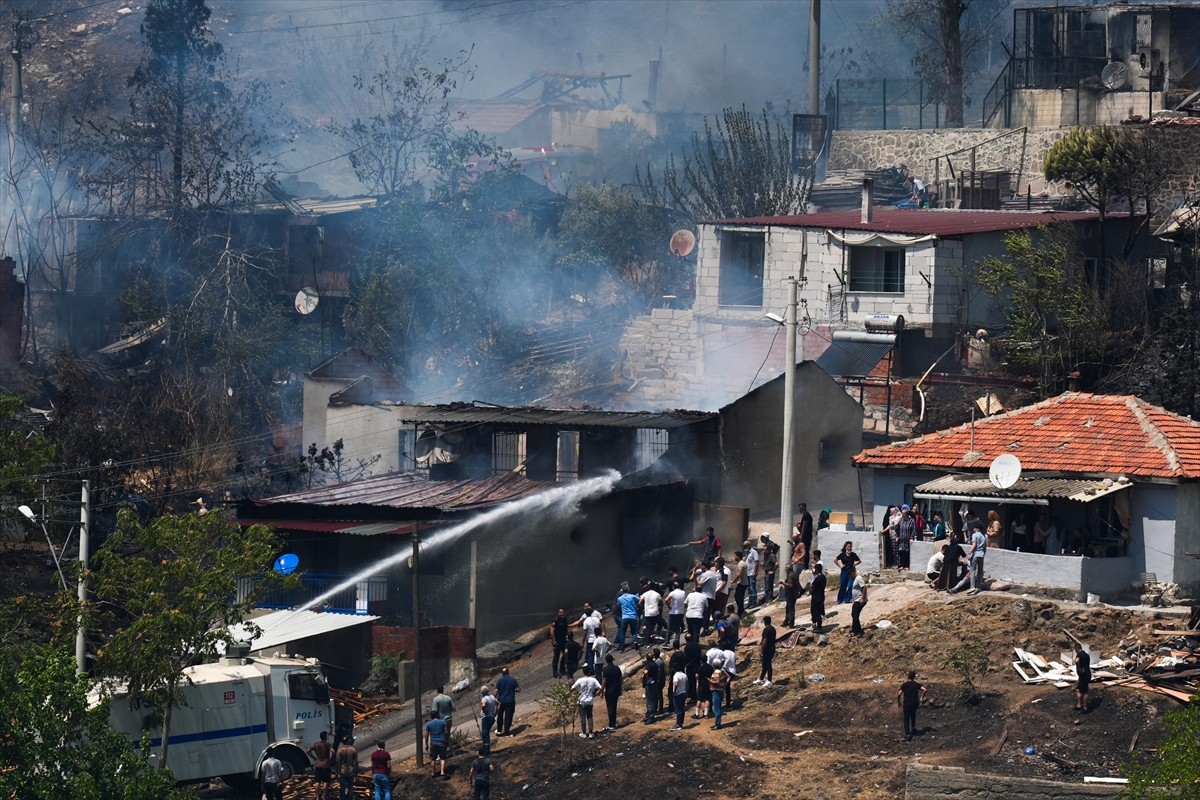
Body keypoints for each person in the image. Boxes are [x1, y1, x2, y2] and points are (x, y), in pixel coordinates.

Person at [951, 523, 988, 595]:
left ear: (977, 528)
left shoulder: (975, 535)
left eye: (974, 528)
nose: (973, 529)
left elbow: (974, 544)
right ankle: (978, 586)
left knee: (972, 571)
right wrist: (983, 554)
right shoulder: (983, 536)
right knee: (980, 572)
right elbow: (985, 547)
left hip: (975, 555)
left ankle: (972, 587)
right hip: (981, 555)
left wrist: (970, 552)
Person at [570, 603, 603, 670]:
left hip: (590, 640)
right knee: (598, 653)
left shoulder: (586, 622)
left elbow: (585, 633)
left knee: (590, 654)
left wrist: (582, 641)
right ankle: (598, 666)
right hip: (597, 638)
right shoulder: (596, 619)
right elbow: (600, 627)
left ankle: (591, 668)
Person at [571, 665, 602, 738]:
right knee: (590, 716)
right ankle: (591, 733)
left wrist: (576, 694)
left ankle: (584, 733)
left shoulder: (579, 680)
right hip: (589, 700)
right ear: (589, 671)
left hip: (581, 700)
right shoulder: (593, 680)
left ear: (583, 671)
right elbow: (600, 687)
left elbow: (572, 688)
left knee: (582, 717)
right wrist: (597, 693)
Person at [897, 670, 928, 741]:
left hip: (907, 703)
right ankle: (913, 729)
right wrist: (921, 698)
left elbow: (899, 694)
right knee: (913, 715)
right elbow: (925, 690)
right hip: (914, 703)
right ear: (914, 677)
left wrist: (898, 702)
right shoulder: (916, 684)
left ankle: (908, 734)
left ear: (908, 676)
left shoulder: (904, 685)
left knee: (906, 719)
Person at [307, 730, 333, 800]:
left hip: (318, 764)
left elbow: (308, 751)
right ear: (325, 737)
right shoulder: (327, 744)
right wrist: (330, 759)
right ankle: (324, 796)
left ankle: (317, 797)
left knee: (317, 781)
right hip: (326, 765)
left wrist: (314, 758)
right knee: (325, 782)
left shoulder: (316, 744)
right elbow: (333, 751)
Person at [600, 653, 623, 731]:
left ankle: (611, 725)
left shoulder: (605, 670)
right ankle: (614, 722)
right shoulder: (617, 668)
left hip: (609, 691)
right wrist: (620, 689)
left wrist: (601, 691)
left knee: (610, 707)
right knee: (614, 706)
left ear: (606, 661)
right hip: (616, 690)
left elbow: (604, 682)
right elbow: (620, 680)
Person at [494, 667, 520, 736]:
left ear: (502, 674)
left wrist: (493, 699)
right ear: (508, 672)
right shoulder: (513, 680)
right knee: (508, 717)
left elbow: (496, 691)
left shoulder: (499, 681)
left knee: (500, 716)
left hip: (501, 701)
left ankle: (499, 730)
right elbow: (518, 689)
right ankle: (507, 733)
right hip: (510, 701)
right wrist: (514, 690)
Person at [615, 582, 640, 651]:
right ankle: (635, 642)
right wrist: (636, 606)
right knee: (634, 631)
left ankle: (622, 648)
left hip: (625, 617)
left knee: (623, 632)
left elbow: (618, 605)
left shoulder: (619, 599)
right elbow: (639, 600)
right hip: (633, 616)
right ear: (628, 589)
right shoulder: (632, 596)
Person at [424, 710, 449, 778]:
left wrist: (426, 744)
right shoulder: (443, 722)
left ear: (431, 716)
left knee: (433, 758)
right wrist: (447, 740)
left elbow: (426, 735)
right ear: (437, 715)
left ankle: (433, 773)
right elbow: (446, 732)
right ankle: (442, 771)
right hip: (442, 741)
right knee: (443, 758)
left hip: (433, 742)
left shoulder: (428, 724)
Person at [639, 578, 664, 643]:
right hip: (655, 611)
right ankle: (655, 634)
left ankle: (647, 640)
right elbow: (661, 603)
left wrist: (643, 607)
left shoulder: (643, 592)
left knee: (646, 625)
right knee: (658, 623)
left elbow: (639, 602)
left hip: (647, 611)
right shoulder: (656, 593)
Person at [753, 615, 776, 687]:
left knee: (768, 664)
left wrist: (762, 650)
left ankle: (769, 680)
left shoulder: (766, 630)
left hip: (767, 649)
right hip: (772, 648)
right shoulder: (773, 629)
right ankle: (761, 679)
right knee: (764, 665)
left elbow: (765, 640)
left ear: (765, 622)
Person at [709, 655, 730, 730]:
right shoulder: (722, 671)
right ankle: (717, 722)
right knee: (718, 707)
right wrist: (724, 685)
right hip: (720, 690)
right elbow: (728, 677)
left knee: (716, 708)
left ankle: (717, 724)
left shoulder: (716, 673)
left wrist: (710, 681)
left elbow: (717, 682)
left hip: (716, 691)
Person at [665, 580, 687, 647]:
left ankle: (667, 642)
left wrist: (669, 606)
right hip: (680, 612)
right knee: (678, 628)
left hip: (673, 612)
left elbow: (666, 600)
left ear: (673, 587)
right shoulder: (683, 592)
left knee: (669, 628)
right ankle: (677, 642)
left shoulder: (672, 593)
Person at [549, 607, 570, 678]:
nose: (562, 614)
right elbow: (552, 630)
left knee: (566, 653)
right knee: (556, 657)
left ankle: (562, 668)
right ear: (558, 613)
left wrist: (568, 636)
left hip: (563, 640)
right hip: (557, 641)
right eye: (560, 612)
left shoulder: (565, 619)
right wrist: (554, 640)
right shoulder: (556, 620)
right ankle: (555, 672)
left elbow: (566, 628)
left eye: (563, 612)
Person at [335, 734, 357, 800]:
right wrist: (356, 772)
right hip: (351, 770)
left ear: (342, 742)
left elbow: (338, 762)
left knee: (342, 787)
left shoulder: (340, 750)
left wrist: (338, 771)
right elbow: (356, 762)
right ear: (348, 741)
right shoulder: (353, 750)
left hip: (343, 771)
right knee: (350, 787)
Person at [781, 560, 802, 628]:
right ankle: (786, 621)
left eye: (785, 568)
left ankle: (791, 623)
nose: (785, 569)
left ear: (788, 568)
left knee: (790, 609)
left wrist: (783, 583)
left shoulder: (790, 575)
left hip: (791, 594)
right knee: (788, 608)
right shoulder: (793, 574)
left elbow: (790, 585)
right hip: (793, 593)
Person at [641, 651, 660, 724]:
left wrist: (646, 679)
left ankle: (650, 718)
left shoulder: (648, 665)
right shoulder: (655, 664)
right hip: (654, 683)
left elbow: (645, 672)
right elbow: (658, 673)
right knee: (653, 699)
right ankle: (648, 716)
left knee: (649, 701)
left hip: (650, 684)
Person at [895, 505, 916, 571]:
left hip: (907, 539)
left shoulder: (911, 521)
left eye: (903, 514)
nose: (902, 515)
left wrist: (911, 538)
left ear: (906, 514)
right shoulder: (901, 521)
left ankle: (906, 565)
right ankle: (901, 565)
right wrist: (897, 536)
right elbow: (897, 529)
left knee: (907, 553)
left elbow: (913, 530)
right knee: (901, 552)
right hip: (901, 539)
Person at [479, 685, 498, 753]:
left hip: (486, 718)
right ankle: (485, 748)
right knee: (485, 733)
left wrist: (485, 711)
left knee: (485, 733)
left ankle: (487, 750)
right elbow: (498, 703)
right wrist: (496, 712)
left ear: (482, 692)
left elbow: (483, 705)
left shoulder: (484, 699)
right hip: (491, 717)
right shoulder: (492, 697)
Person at [849, 567, 867, 637]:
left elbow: (864, 587)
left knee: (855, 614)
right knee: (854, 614)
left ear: (853, 573)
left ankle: (857, 631)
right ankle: (856, 629)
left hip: (860, 600)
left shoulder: (859, 578)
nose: (850, 577)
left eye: (850, 575)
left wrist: (862, 598)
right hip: (856, 600)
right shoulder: (855, 579)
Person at [670, 662, 688, 730]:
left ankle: (678, 725)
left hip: (678, 694)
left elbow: (676, 684)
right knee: (682, 708)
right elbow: (687, 684)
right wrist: (686, 691)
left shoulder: (676, 675)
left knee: (678, 710)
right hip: (683, 693)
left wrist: (674, 692)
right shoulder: (684, 675)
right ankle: (681, 723)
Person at [795, 502, 814, 568]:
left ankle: (805, 565)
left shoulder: (806, 515)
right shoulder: (805, 515)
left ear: (803, 507)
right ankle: (804, 564)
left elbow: (804, 527)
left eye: (800, 508)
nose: (799, 509)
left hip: (806, 537)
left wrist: (801, 536)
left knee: (805, 550)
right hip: (806, 536)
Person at [761, 534, 779, 602]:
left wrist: (773, 571)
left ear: (768, 550)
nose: (764, 551)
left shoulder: (772, 555)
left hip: (769, 573)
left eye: (765, 550)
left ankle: (769, 600)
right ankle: (767, 599)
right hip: (766, 572)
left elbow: (776, 564)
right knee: (766, 587)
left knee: (769, 587)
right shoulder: (767, 556)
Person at [809, 563, 827, 632]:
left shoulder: (818, 578)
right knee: (818, 611)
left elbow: (812, 586)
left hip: (816, 596)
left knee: (815, 611)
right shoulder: (823, 577)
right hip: (821, 595)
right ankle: (818, 626)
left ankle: (818, 627)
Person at [1075, 643, 1091, 712]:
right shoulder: (1087, 655)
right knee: (1080, 690)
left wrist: (1078, 667)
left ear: (1076, 649)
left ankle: (1085, 707)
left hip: (1083, 675)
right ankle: (1079, 705)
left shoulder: (1079, 654)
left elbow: (1077, 660)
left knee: (1083, 691)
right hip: (1087, 674)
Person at [732, 550, 748, 616]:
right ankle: (741, 611)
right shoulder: (742, 563)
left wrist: (733, 581)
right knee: (739, 597)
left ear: (738, 556)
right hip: (743, 583)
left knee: (738, 597)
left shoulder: (741, 564)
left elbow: (739, 574)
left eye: (735, 556)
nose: (734, 558)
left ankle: (741, 612)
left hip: (742, 583)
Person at [744, 541, 760, 607]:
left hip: (751, 573)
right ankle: (750, 602)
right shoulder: (747, 553)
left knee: (752, 588)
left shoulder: (753, 552)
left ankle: (754, 602)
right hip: (747, 573)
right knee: (749, 589)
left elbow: (757, 562)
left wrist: (755, 571)